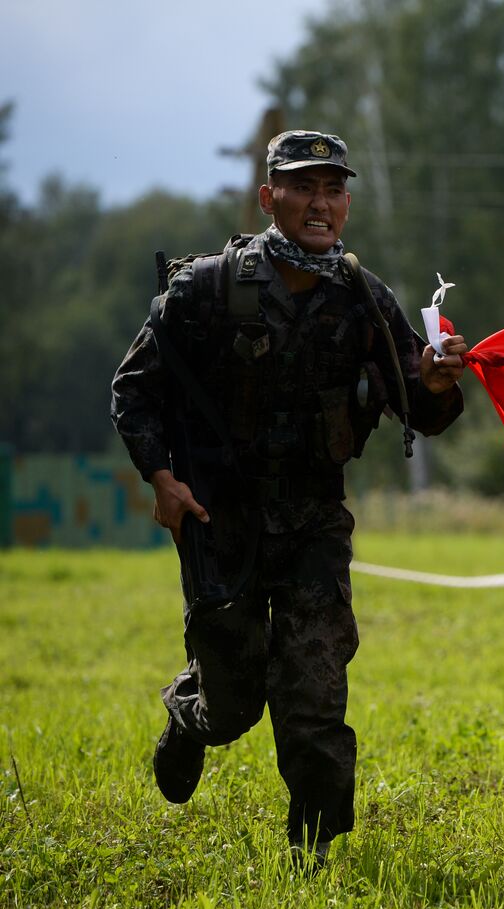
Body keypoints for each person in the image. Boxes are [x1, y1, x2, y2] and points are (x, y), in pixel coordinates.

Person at [111, 130, 467, 866]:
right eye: (303, 187)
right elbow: (135, 390)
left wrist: (436, 382)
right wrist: (161, 478)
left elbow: (420, 407)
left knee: (314, 692)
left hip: (313, 522)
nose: (320, 203)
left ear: (347, 203)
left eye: (334, 188)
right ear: (269, 197)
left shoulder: (366, 299)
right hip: (220, 520)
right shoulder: (207, 287)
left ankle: (316, 855)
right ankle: (191, 714)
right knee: (235, 700)